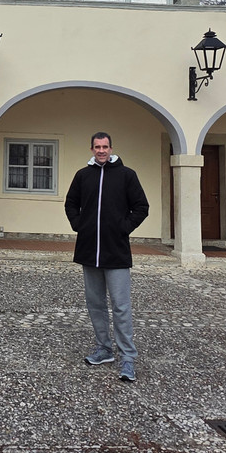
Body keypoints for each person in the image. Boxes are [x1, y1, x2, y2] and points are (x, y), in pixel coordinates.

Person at [64, 132, 149, 382]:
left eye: (105, 146)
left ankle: (128, 358)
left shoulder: (126, 175)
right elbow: (71, 203)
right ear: (91, 149)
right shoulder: (83, 175)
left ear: (112, 148)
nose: (101, 150)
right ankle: (104, 348)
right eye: (97, 147)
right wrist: (80, 225)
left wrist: (123, 228)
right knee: (96, 305)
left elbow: (141, 207)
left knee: (121, 307)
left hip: (116, 252)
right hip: (89, 251)